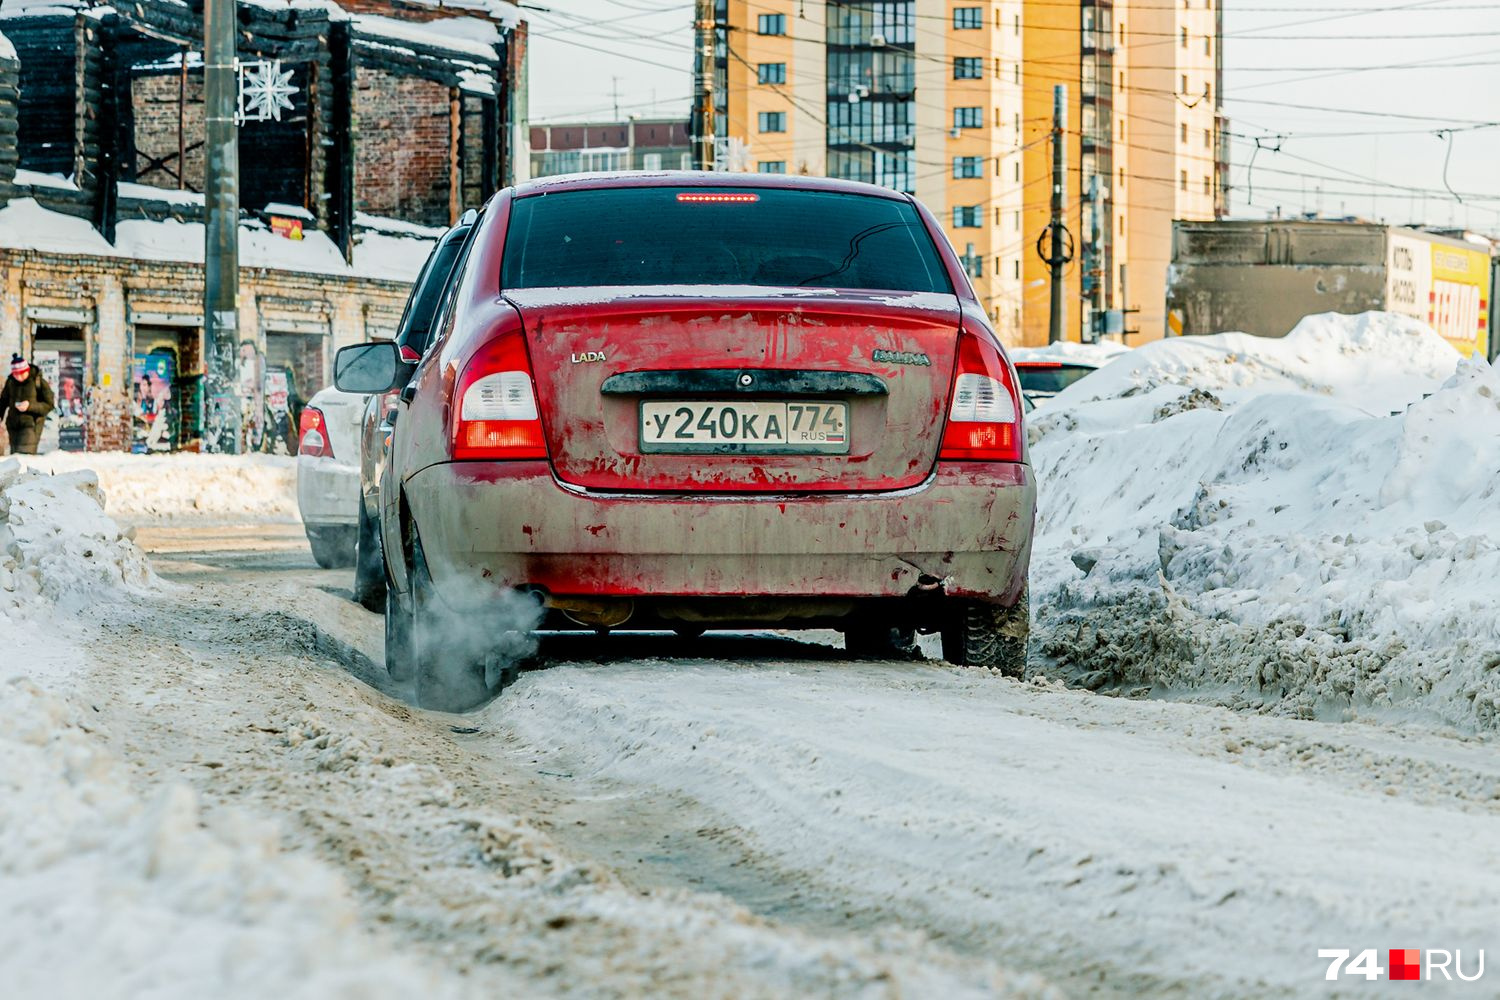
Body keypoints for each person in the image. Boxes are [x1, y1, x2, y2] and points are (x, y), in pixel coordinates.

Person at [1, 353, 55, 455]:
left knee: (25, 456)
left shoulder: (38, 381)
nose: (18, 377)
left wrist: (29, 406)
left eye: (21, 373)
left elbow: (49, 404)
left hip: (31, 424)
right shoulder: (11, 381)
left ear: (27, 371)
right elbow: (3, 400)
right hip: (13, 425)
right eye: (15, 374)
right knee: (15, 459)